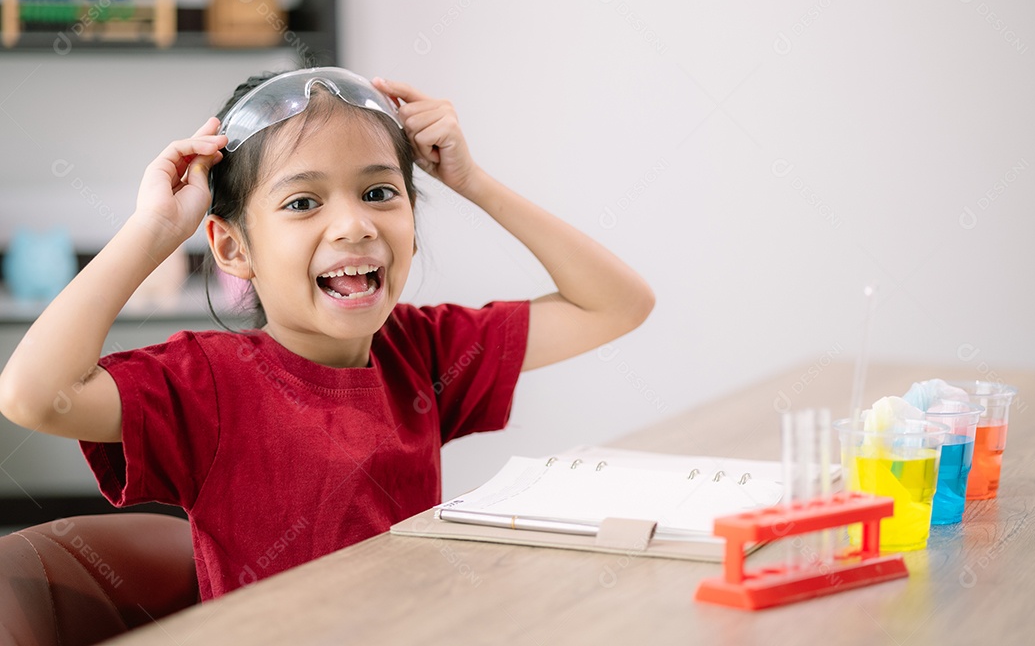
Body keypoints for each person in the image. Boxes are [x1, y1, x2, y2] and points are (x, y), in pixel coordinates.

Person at [0, 67, 654, 600]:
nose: (353, 225)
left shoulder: (422, 353)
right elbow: (32, 394)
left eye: (378, 193)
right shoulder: (209, 385)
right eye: (303, 203)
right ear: (232, 250)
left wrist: (472, 182)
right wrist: (154, 231)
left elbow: (616, 304)